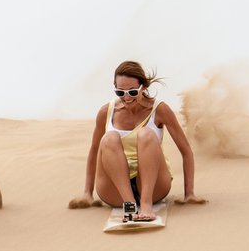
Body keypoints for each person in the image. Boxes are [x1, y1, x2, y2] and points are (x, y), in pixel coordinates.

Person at [70, 60, 205, 219]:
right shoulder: (106, 112)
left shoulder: (159, 110)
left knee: (145, 134)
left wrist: (189, 193)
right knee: (109, 139)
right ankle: (130, 204)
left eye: (132, 92)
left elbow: (186, 151)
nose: (126, 98)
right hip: (115, 190)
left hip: (153, 186)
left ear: (144, 87)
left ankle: (146, 205)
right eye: (120, 93)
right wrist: (87, 193)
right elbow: (94, 152)